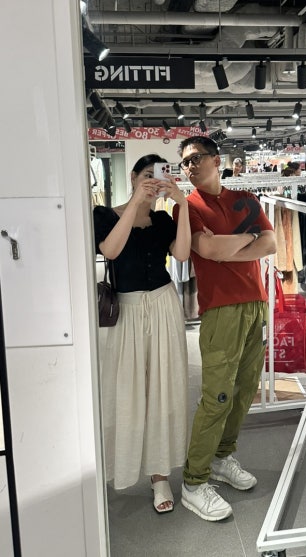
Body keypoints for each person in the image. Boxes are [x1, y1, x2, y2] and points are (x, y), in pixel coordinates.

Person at [173, 136, 277, 522]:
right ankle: (194, 481)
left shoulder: (245, 199)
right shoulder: (186, 207)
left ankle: (221, 457)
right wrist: (247, 239)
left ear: (216, 160)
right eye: (185, 162)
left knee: (245, 390)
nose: (190, 166)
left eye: (196, 158)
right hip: (219, 310)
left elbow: (270, 244)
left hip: (255, 304)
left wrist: (231, 246)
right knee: (217, 396)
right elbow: (208, 251)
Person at [93, 154, 191, 515]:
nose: (154, 181)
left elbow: (182, 254)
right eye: (148, 175)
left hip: (164, 305)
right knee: (126, 390)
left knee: (164, 389)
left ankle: (159, 475)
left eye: (160, 175)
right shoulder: (105, 215)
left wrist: (182, 205)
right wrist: (136, 202)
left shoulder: (163, 220)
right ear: (133, 177)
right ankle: (120, 465)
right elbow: (110, 250)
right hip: (127, 311)